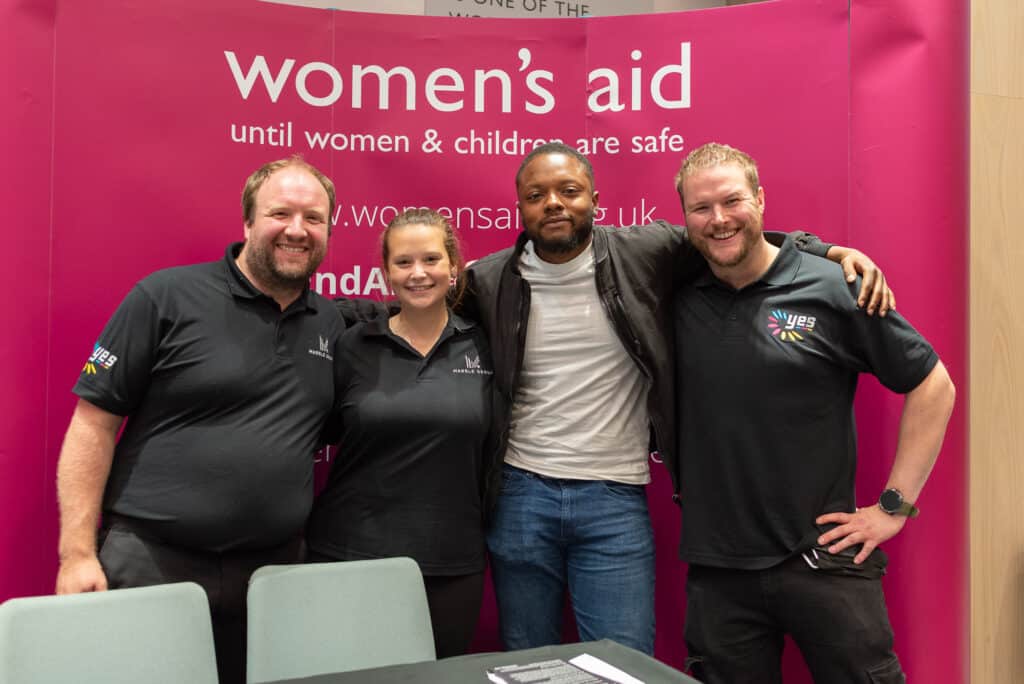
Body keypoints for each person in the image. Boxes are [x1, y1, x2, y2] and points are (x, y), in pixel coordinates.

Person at [461, 142, 893, 654]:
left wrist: (825, 251)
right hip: (521, 496)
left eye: (568, 191)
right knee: (527, 658)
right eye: (537, 195)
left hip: (613, 499)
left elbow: (736, 236)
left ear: (595, 200)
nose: (553, 203)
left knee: (624, 662)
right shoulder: (487, 280)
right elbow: (419, 311)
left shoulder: (644, 252)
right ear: (521, 207)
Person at [672, 142, 955, 683]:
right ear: (685, 217)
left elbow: (934, 386)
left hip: (823, 558)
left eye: (732, 201)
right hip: (718, 571)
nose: (719, 219)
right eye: (701, 209)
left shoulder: (833, 286)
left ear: (760, 199)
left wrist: (893, 507)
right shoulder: (674, 292)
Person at [54, 156, 343, 684]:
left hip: (272, 577)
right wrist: (75, 553)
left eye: (314, 218)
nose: (298, 230)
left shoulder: (330, 322)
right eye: (281, 213)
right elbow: (92, 424)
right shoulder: (163, 297)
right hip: (151, 565)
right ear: (248, 221)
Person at [306, 208, 500, 658]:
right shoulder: (351, 345)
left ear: (454, 268)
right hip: (348, 556)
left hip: (451, 562)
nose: (418, 274)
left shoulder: (486, 346)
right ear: (386, 273)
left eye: (431, 260)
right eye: (404, 262)